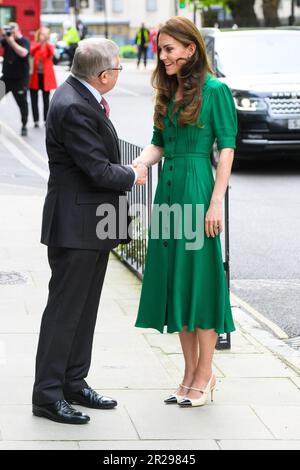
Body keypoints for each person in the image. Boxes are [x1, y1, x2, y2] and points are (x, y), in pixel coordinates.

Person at [32, 38, 148, 425]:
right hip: (77, 225)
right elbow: (97, 170)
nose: (118, 74)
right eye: (117, 68)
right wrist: (132, 174)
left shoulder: (77, 95)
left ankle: (73, 381)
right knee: (66, 312)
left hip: (89, 224)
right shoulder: (73, 106)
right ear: (102, 74)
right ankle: (47, 395)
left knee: (83, 310)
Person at [134, 17, 237, 408]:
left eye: (169, 49)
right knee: (179, 282)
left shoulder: (215, 91)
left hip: (197, 190)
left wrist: (216, 202)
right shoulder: (169, 91)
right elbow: (158, 143)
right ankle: (188, 373)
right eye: (161, 49)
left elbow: (226, 148)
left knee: (201, 283)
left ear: (191, 49)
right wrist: (141, 165)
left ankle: (205, 373)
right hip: (169, 192)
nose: (162, 57)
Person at [0, 22, 30, 136]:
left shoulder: (24, 41)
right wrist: (3, 35)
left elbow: (23, 53)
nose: (10, 31)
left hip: (20, 79)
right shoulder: (6, 40)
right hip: (6, 77)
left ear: (17, 30)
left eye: (12, 29)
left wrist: (11, 40)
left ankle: (24, 125)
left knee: (22, 104)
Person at [29, 27, 57, 127]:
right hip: (35, 77)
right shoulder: (34, 43)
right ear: (38, 34)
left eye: (46, 34)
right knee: (34, 99)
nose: (44, 36)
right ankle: (35, 120)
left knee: (46, 99)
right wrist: (40, 44)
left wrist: (46, 44)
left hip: (45, 77)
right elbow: (31, 52)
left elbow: (51, 54)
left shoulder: (49, 46)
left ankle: (46, 120)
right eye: (42, 34)